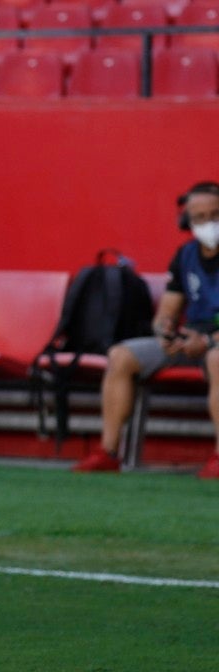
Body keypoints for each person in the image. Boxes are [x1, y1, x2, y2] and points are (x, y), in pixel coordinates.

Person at [73, 181, 219, 479]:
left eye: (215, 215)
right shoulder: (185, 256)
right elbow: (166, 312)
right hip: (190, 339)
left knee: (218, 359)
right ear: (187, 222)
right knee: (121, 355)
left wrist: (207, 341)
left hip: (212, 344)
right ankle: (108, 453)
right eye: (200, 217)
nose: (209, 223)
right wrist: (165, 332)